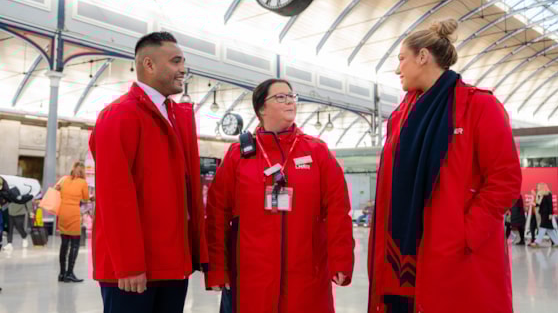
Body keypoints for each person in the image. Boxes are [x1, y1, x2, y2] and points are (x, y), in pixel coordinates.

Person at [367, 19, 522, 313]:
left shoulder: (480, 106)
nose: (397, 68)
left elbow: (505, 179)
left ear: (423, 56)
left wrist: (466, 233)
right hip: (398, 257)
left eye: (401, 58)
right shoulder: (399, 117)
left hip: (455, 253)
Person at [206, 78, 355, 313]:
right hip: (251, 278)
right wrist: (216, 268)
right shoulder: (238, 156)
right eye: (280, 97)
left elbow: (338, 210)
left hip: (307, 275)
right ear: (261, 109)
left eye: (292, 96)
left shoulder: (317, 152)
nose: (290, 102)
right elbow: (217, 215)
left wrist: (342, 259)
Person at [89, 31, 207, 313]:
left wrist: (195, 252)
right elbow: (114, 194)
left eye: (183, 62)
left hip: (172, 265)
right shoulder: (120, 114)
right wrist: (129, 264)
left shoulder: (176, 116)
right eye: (176, 61)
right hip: (134, 271)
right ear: (149, 64)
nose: (183, 70)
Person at [55, 161, 90, 283]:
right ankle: (70, 273)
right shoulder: (83, 182)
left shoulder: (64, 180)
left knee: (64, 244)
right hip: (73, 214)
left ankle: (61, 274)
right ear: (82, 171)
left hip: (63, 213)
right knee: (74, 244)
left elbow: (57, 189)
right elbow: (85, 198)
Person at [529, 183, 558, 248]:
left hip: (547, 214)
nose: (537, 188)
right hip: (543, 213)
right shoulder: (541, 195)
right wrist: (533, 204)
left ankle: (537, 242)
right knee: (550, 230)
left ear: (542, 187)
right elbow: (539, 205)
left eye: (538, 187)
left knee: (542, 227)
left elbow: (550, 204)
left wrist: (550, 214)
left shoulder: (548, 194)